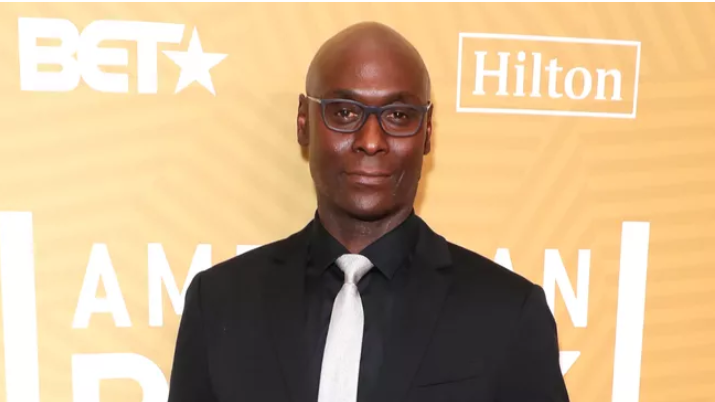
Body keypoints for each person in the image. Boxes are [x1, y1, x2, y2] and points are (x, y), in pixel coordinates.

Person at [167, 21, 570, 402]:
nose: (371, 141)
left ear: (427, 131)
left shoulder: (507, 313)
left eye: (398, 115)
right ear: (303, 121)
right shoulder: (220, 302)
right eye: (345, 112)